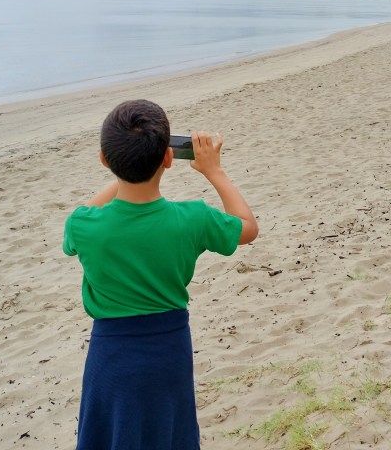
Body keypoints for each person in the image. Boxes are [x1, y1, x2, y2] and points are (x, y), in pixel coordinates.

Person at [63, 99, 259, 450]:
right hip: (169, 352)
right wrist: (214, 171)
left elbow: (85, 216)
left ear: (104, 160)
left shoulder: (82, 225)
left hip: (111, 355)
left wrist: (124, 171)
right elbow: (247, 227)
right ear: (169, 158)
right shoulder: (193, 218)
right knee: (169, 434)